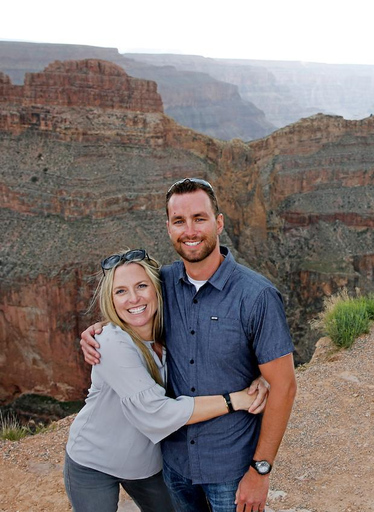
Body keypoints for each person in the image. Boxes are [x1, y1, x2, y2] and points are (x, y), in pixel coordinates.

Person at [81, 178, 297, 512]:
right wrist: (101, 330)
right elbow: (132, 308)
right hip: (175, 465)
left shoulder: (256, 296)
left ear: (219, 222)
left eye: (199, 218)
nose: (190, 231)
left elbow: (284, 386)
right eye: (179, 221)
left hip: (231, 467)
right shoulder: (161, 284)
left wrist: (261, 469)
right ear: (168, 228)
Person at [66, 249, 268, 512]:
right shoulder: (110, 342)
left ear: (157, 289)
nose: (133, 298)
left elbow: (227, 347)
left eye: (141, 286)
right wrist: (234, 400)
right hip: (94, 461)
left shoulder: (173, 328)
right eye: (121, 291)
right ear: (111, 300)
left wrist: (263, 374)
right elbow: (157, 412)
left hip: (147, 465)